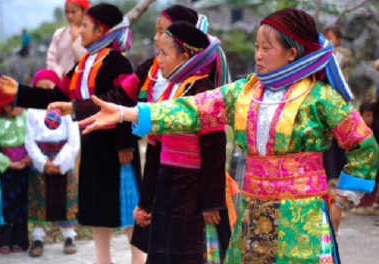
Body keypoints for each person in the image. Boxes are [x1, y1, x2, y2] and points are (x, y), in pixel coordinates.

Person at [69, 8, 379, 263]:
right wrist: (128, 113)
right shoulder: (244, 92)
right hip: (254, 209)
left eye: (266, 48)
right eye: (256, 46)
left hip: (303, 215)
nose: (257, 55)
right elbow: (191, 109)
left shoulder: (320, 97)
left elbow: (363, 144)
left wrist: (342, 200)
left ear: (291, 53)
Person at [52, 21, 233, 263]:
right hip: (167, 185)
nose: (159, 59)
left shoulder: (204, 92)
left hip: (194, 192)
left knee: (189, 253)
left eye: (165, 53)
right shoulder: (168, 88)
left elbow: (215, 151)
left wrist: (212, 202)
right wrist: (146, 202)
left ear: (185, 56)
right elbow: (156, 148)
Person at [0, 3, 144, 264]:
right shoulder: (82, 63)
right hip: (91, 141)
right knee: (97, 205)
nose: (79, 33)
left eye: (85, 26)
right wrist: (19, 92)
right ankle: (103, 259)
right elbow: (57, 95)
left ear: (101, 30)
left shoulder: (117, 62)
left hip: (116, 146)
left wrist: (126, 145)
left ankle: (137, 260)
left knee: (127, 205)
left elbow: (125, 100)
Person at [24, 69, 80, 257]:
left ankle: (69, 236)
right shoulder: (31, 112)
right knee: (40, 200)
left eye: (50, 88)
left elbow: (74, 139)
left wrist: (60, 162)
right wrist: (43, 162)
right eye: (40, 89)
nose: (45, 93)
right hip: (41, 160)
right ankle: (38, 237)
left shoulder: (65, 109)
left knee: (66, 200)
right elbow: (29, 140)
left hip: (62, 158)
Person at [0, 91, 30, 254]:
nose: (22, 108)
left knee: (22, 204)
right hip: (7, 171)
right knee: (6, 204)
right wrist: (9, 164)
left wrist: (29, 157)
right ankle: (4, 239)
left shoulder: (25, 117)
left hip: (25, 167)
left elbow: (32, 139)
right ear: (7, 106)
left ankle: (20, 239)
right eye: (18, 104)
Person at [322, 24, 352, 197]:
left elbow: (333, 64)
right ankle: (331, 186)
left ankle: (340, 188)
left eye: (330, 38)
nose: (327, 41)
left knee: (339, 147)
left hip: (338, 108)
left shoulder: (339, 54)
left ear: (338, 40)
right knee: (329, 148)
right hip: (326, 109)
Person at [47, 0, 89, 77]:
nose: (69, 16)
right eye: (67, 12)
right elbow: (51, 60)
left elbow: (86, 59)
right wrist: (60, 72)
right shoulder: (59, 34)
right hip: (60, 80)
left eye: (73, 12)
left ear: (84, 11)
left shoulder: (90, 34)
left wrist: (76, 39)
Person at [352, 102, 379, 217]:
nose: (370, 119)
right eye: (367, 115)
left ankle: (368, 204)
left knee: (373, 182)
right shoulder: (356, 129)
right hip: (361, 162)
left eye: (371, 116)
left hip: (373, 161)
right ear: (361, 115)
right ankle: (360, 205)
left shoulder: (375, 129)